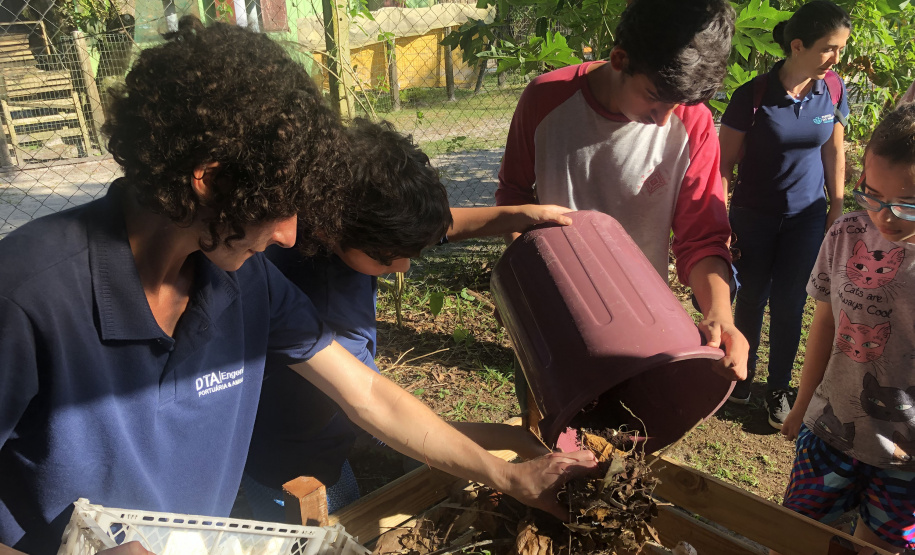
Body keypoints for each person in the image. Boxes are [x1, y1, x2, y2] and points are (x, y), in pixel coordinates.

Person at [0, 19, 598, 555]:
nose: (290, 235)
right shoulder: (26, 295)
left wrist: (509, 475)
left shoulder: (246, 280)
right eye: (280, 207)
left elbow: (368, 394)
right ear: (208, 180)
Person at [241, 118, 574, 520]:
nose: (402, 266)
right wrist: (508, 451)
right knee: (328, 521)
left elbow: (432, 226)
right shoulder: (324, 309)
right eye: (389, 256)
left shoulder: (340, 221)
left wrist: (517, 215)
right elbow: (376, 413)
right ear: (335, 229)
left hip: (318, 413)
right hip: (289, 451)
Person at [496, 0, 749, 394]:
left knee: (632, 424)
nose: (663, 119)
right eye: (653, 97)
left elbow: (702, 238)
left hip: (642, 323)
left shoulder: (693, 123)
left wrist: (721, 314)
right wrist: (526, 286)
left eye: (676, 105)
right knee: (548, 421)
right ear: (619, 59)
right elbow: (513, 196)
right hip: (553, 315)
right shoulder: (545, 100)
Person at [777, 104, 915, 555]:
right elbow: (825, 322)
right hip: (829, 431)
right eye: (872, 195)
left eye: (906, 205)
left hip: (906, 458)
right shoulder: (846, 234)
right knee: (795, 536)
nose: (885, 217)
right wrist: (802, 404)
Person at [718, 1, 851, 429]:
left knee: (791, 302)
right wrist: (720, 221)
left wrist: (836, 206)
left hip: (806, 218)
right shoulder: (752, 96)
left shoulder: (833, 89)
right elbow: (723, 165)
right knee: (751, 297)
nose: (836, 58)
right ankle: (740, 379)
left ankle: (778, 387)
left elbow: (834, 150)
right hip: (753, 216)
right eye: (829, 48)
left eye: (841, 49)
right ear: (797, 46)